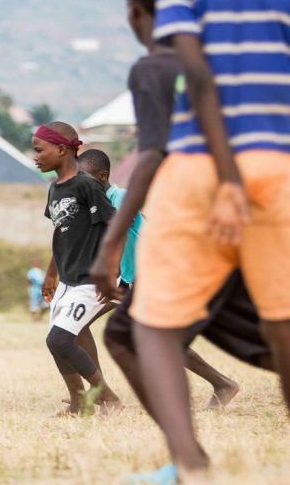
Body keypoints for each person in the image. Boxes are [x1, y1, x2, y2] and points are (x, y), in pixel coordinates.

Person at [96, 0, 290, 481]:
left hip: (200, 176)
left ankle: (190, 465)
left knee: (147, 331)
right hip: (276, 168)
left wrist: (227, 178)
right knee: (279, 324)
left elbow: (191, 91)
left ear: (136, 13)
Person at [80, 148, 241, 410]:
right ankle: (98, 393)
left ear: (102, 176)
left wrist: (113, 273)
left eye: (85, 178)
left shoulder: (119, 197)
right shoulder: (96, 203)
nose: (81, 184)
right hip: (129, 279)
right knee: (75, 327)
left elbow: (118, 234)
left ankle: (222, 383)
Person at [32, 121, 121, 415]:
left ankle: (106, 397)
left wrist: (112, 273)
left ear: (60, 149)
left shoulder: (87, 184)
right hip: (67, 281)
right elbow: (61, 231)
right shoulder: (54, 188)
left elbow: (115, 228)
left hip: (90, 281)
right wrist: (50, 273)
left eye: (38, 150)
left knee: (59, 339)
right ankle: (78, 402)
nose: (34, 156)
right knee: (57, 343)